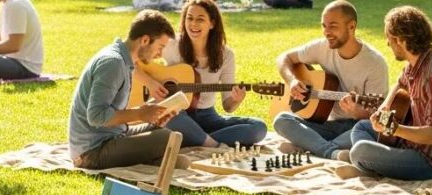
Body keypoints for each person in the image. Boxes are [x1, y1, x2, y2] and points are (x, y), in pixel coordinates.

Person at [336, 6, 432, 181]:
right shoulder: (416, 63)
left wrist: (395, 129)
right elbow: (399, 83)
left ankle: (366, 164)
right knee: (361, 127)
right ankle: (368, 163)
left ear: (400, 40)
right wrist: (384, 108)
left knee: (361, 151)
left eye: (389, 38)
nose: (387, 43)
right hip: (414, 146)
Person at [136, 0, 267, 148]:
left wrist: (236, 100)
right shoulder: (171, 44)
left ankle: (194, 138)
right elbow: (130, 57)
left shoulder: (226, 55)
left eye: (200, 19)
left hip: (207, 117)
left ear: (212, 23)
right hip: (177, 115)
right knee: (169, 112)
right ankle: (209, 142)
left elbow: (228, 107)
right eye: (189, 18)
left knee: (258, 127)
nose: (193, 24)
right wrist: (150, 83)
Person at [68, 10, 187, 170]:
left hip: (113, 135)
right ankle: (156, 160)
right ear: (145, 40)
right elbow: (96, 116)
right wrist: (139, 113)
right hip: (92, 151)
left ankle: (155, 160)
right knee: (166, 138)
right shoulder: (113, 63)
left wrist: (153, 113)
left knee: (163, 131)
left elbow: (111, 112)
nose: (160, 54)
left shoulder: (125, 60)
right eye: (160, 47)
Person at [272, 0, 388, 160]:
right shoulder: (322, 47)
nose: (326, 32)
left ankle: (310, 146)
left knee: (373, 130)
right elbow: (284, 58)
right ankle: (330, 151)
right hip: (325, 123)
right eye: (324, 26)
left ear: (351, 26)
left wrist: (356, 111)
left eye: (333, 26)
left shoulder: (375, 63)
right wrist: (292, 80)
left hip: (356, 127)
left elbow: (379, 116)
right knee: (282, 120)